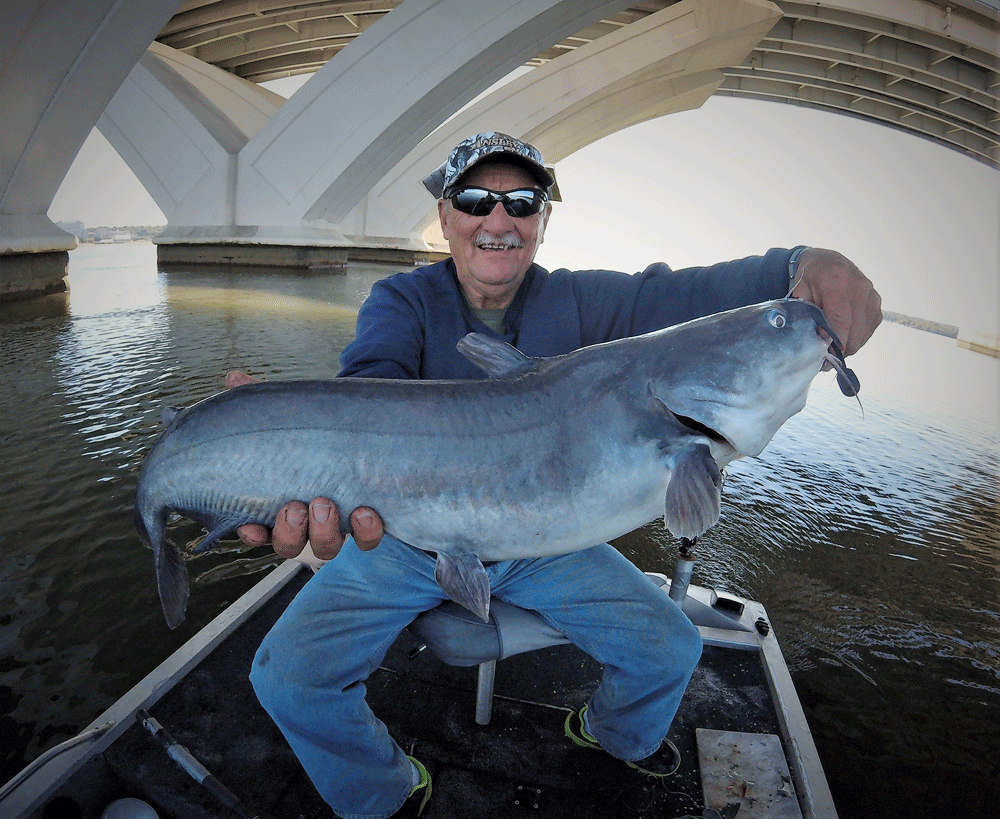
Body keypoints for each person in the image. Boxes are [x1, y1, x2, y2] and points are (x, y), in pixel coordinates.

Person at [237, 132, 882, 818]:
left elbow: (677, 296)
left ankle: (608, 732)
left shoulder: (580, 302)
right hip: (402, 536)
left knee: (670, 645)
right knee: (286, 676)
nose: (498, 218)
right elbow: (369, 384)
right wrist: (299, 437)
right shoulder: (401, 301)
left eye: (522, 201)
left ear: (543, 221)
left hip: (539, 546)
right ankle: (386, 792)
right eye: (476, 198)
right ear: (447, 215)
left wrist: (798, 263)